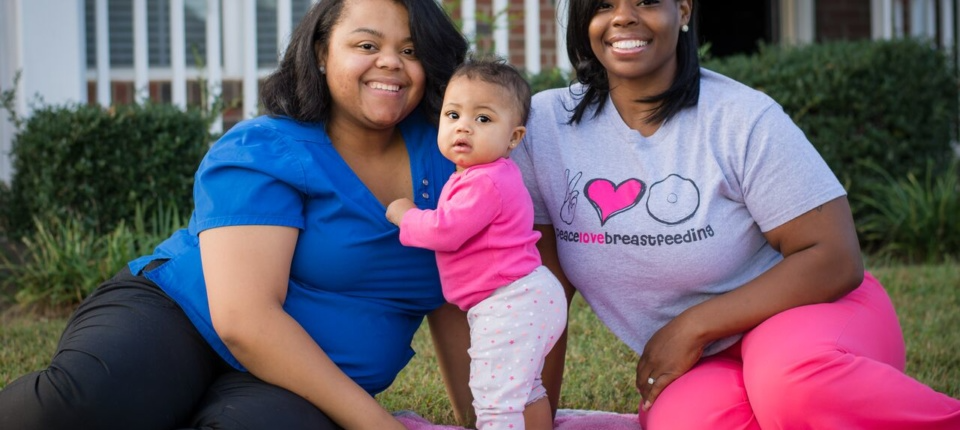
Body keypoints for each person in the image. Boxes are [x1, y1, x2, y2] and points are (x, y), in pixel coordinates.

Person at [0, 0, 472, 429]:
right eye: (367, 44)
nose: (391, 61)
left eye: (411, 50)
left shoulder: (452, 161)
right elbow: (245, 320)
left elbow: (457, 298)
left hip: (309, 379)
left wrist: (485, 419)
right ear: (322, 53)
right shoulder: (265, 148)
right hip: (181, 319)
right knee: (79, 406)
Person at [511, 0, 960, 429]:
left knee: (789, 387)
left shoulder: (740, 119)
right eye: (603, 6)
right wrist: (537, 421)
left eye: (646, 2)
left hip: (816, 317)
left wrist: (692, 326)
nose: (623, 18)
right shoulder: (547, 127)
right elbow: (544, 295)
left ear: (682, 9)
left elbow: (836, 256)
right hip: (707, 362)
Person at [386, 56, 566, 430]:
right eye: (453, 115)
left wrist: (406, 215)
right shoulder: (482, 175)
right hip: (524, 297)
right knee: (524, 389)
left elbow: (444, 231)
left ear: (514, 137)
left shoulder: (485, 181)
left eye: (482, 119)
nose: (463, 128)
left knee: (494, 399)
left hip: (511, 303)